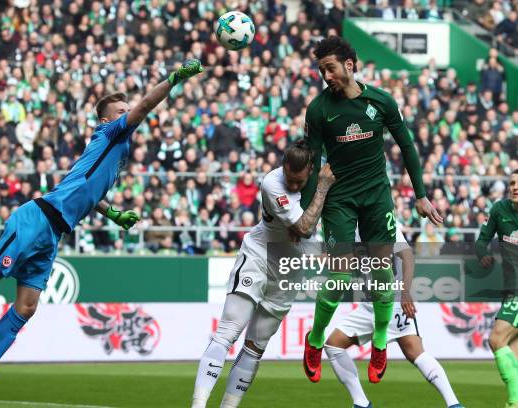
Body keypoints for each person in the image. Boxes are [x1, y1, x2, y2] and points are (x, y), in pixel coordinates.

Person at [0, 59, 204, 408]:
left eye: (128, 108)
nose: (129, 112)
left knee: (27, 307)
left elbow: (86, 192)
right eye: (121, 109)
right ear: (107, 119)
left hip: (54, 233)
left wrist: (113, 214)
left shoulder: (117, 149)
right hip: (37, 218)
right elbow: (144, 105)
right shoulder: (111, 133)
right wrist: (172, 79)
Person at [300, 36, 442, 384]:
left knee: (383, 277)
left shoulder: (380, 101)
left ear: (350, 65)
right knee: (339, 275)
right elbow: (311, 161)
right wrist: (306, 211)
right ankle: (315, 339)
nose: (326, 76)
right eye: (321, 70)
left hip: (377, 197)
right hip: (340, 200)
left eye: (330, 68)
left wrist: (420, 194)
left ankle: (380, 344)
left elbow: (406, 144)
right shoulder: (319, 109)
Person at [191, 140, 336, 408]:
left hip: (288, 272)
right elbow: (304, 227)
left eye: (299, 182)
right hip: (258, 256)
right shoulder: (272, 183)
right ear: (283, 168)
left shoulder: (310, 181)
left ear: (309, 173)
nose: (293, 186)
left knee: (255, 347)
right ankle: (198, 405)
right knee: (227, 332)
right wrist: (322, 188)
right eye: (290, 180)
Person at [325, 222, 464, 408]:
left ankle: (453, 404)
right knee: (333, 345)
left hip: (393, 301)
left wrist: (405, 293)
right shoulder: (351, 226)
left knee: (415, 352)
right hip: (369, 304)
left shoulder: (384, 220)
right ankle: (362, 403)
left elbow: (407, 256)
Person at [475, 169, 518, 408]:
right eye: (511, 183)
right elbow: (482, 241)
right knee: (513, 350)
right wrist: (483, 254)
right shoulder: (499, 210)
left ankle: (514, 402)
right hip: (510, 289)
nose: (515, 187)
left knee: (496, 339)